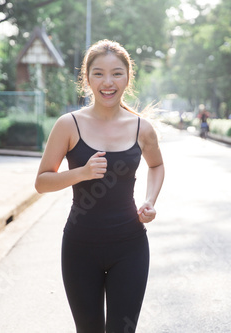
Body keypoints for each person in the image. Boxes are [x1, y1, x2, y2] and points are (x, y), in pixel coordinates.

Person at [35, 39, 165, 333]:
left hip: (130, 246)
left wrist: (150, 200)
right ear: (87, 78)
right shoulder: (68, 125)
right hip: (80, 247)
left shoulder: (141, 128)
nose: (108, 82)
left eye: (117, 73)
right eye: (99, 73)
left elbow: (156, 165)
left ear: (128, 78)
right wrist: (81, 173)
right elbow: (42, 182)